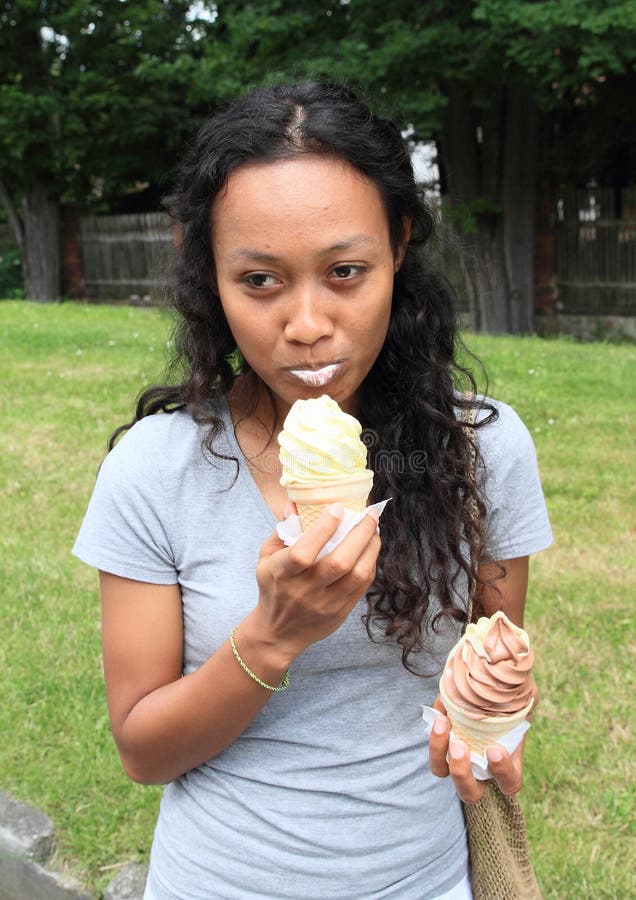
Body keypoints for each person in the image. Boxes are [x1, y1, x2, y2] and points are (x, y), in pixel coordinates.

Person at [73, 81, 552, 900]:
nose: (306, 325)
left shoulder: (481, 448)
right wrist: (272, 636)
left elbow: (489, 653)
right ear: (212, 276)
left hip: (428, 881)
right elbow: (143, 751)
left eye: (345, 271)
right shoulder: (155, 471)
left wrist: (490, 720)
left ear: (399, 246)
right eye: (260, 280)